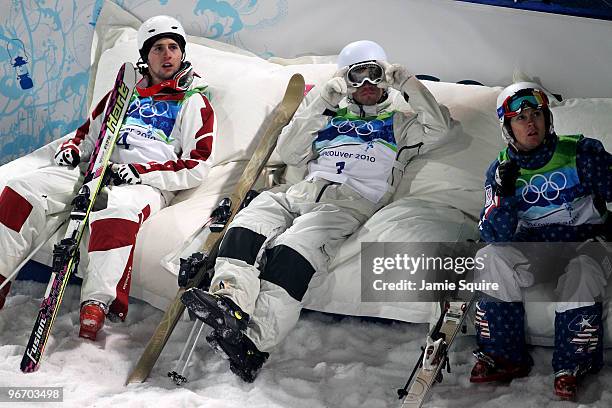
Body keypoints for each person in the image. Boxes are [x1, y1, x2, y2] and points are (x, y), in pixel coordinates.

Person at [180, 40, 453, 382]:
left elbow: (440, 130)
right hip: (302, 191)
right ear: (346, 79)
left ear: (385, 76)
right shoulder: (330, 117)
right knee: (247, 223)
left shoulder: (401, 123)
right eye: (358, 76)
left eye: (374, 74)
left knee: (293, 248)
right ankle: (231, 303)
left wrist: (408, 84)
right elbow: (291, 150)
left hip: (350, 201)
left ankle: (255, 345)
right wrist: (324, 98)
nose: (367, 84)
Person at [0, 15, 216, 340]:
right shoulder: (123, 93)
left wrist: (141, 172)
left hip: (143, 182)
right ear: (146, 55)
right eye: (158, 48)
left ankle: (95, 305)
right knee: (21, 190)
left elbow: (197, 163)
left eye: (174, 47)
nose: (168, 54)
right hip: (97, 168)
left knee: (117, 212)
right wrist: (73, 150)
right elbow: (87, 135)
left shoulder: (193, 100)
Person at [471, 82, 611, 400]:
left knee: (582, 271)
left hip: (587, 242)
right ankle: (504, 357)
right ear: (508, 127)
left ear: (548, 118)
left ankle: (573, 365)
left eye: (537, 114)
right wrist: (504, 196)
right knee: (489, 257)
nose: (531, 123)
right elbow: (494, 235)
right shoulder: (500, 170)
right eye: (521, 118)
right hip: (537, 248)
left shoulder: (581, 152)